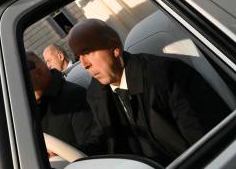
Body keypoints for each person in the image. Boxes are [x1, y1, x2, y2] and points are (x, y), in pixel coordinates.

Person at [67, 19, 230, 166]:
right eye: (78, 56)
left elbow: (206, 142)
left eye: (87, 52)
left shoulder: (166, 75)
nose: (84, 64)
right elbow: (102, 138)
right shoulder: (96, 94)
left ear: (114, 48)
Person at [26, 52, 103, 156]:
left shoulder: (73, 97)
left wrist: (58, 155)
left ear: (39, 73)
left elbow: (95, 146)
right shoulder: (25, 112)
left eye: (21, 76)